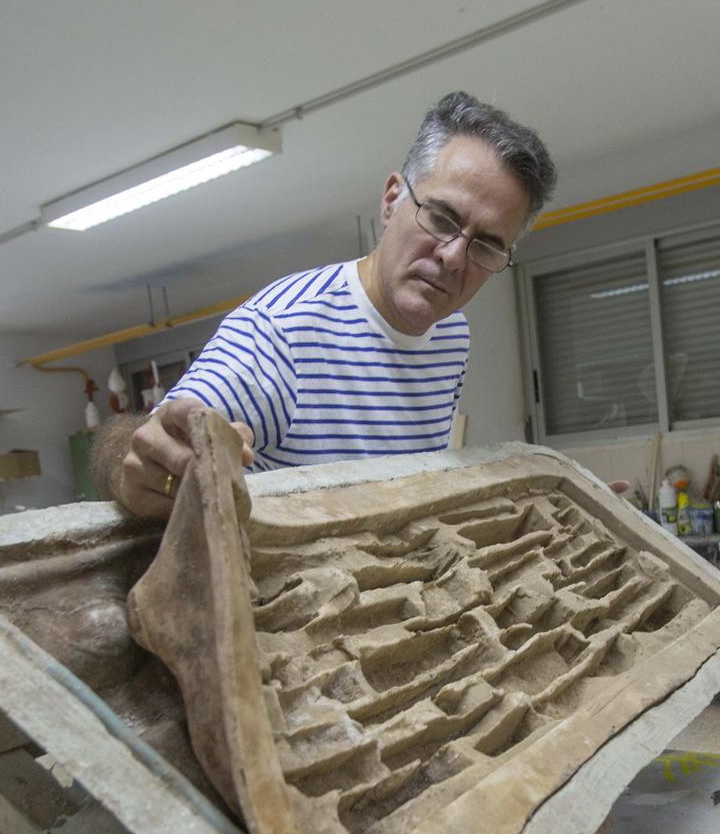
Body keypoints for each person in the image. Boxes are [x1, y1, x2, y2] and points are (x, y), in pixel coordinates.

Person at [94, 91, 557, 517]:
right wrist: (127, 463)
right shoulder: (281, 331)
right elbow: (148, 444)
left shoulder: (451, 335)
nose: (454, 256)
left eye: (487, 246)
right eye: (441, 218)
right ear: (393, 200)